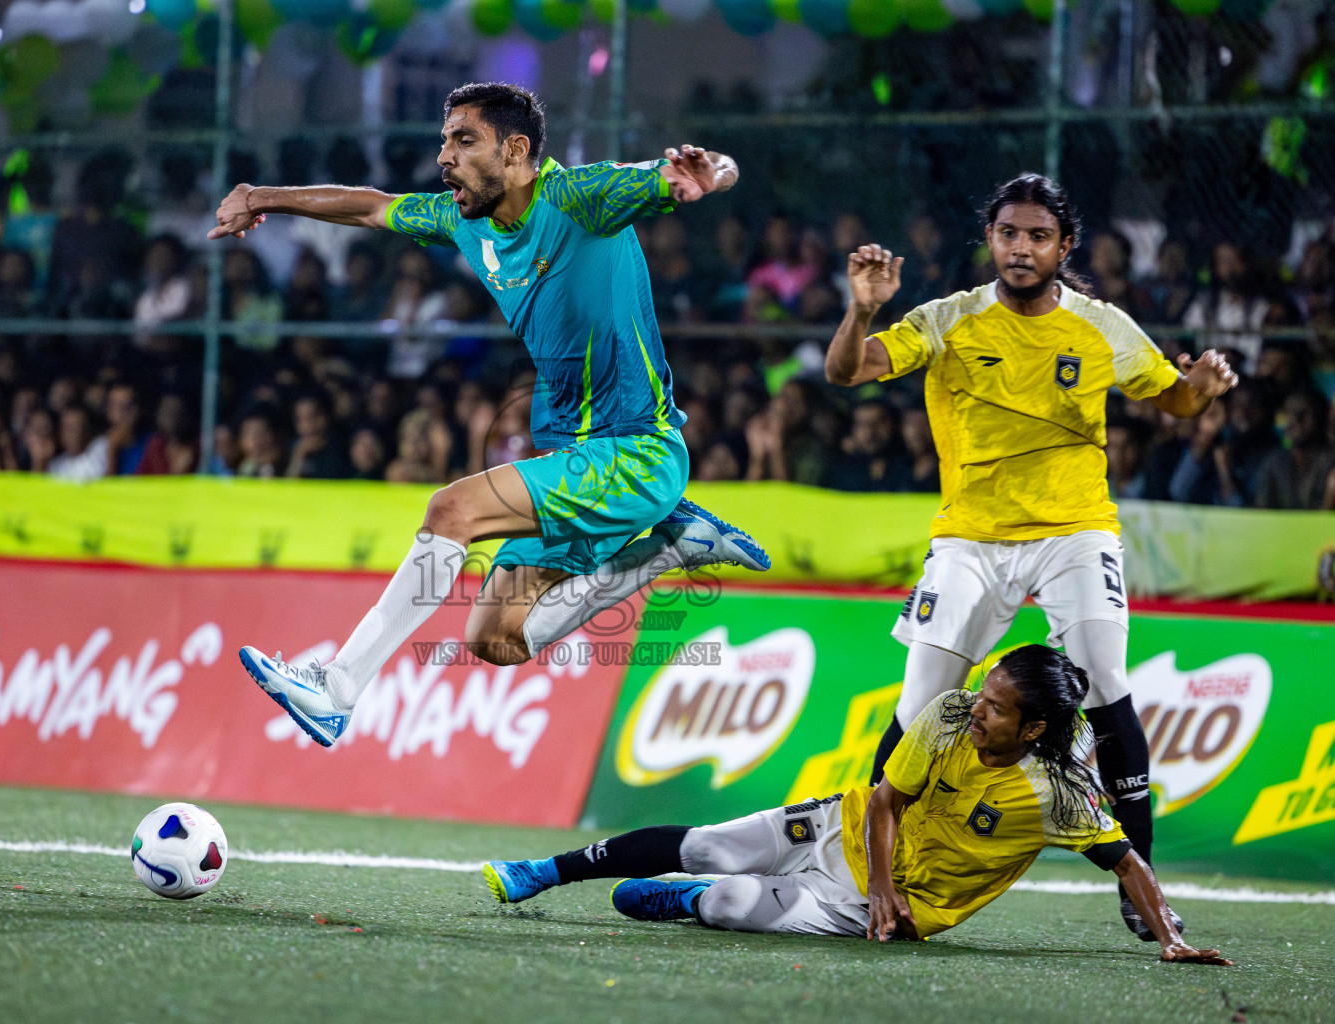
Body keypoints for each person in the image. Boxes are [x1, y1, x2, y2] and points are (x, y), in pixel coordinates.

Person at [211, 81, 770, 748]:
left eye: (463, 140)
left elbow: (698, 169)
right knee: (495, 640)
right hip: (571, 457)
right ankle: (670, 548)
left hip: (637, 452)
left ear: (514, 150)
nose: (444, 156)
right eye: (444, 140)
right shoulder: (464, 218)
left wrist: (709, 176)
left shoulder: (581, 198)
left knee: (452, 511)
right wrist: (259, 196)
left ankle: (337, 690)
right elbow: (373, 208)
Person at [821, 173, 1238, 941]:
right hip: (970, 539)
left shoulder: (1100, 326)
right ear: (991, 239)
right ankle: (871, 870)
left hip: (1075, 530)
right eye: (1009, 233)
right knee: (921, 706)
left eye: (1037, 236)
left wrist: (1202, 388)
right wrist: (862, 308)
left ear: (1063, 247)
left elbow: (1171, 398)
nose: (1021, 248)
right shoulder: (948, 319)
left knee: (1107, 681)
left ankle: (1141, 885)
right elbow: (847, 371)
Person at [483, 646, 1229, 966]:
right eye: (986, 690)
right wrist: (881, 882)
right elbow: (884, 799)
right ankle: (541, 871)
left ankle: (687, 903)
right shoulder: (947, 713)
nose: (979, 708)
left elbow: (1127, 860)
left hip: (884, 911)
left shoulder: (1060, 793)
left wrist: (1167, 935)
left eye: (998, 707)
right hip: (846, 837)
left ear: (1034, 727)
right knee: (710, 841)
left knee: (733, 901)